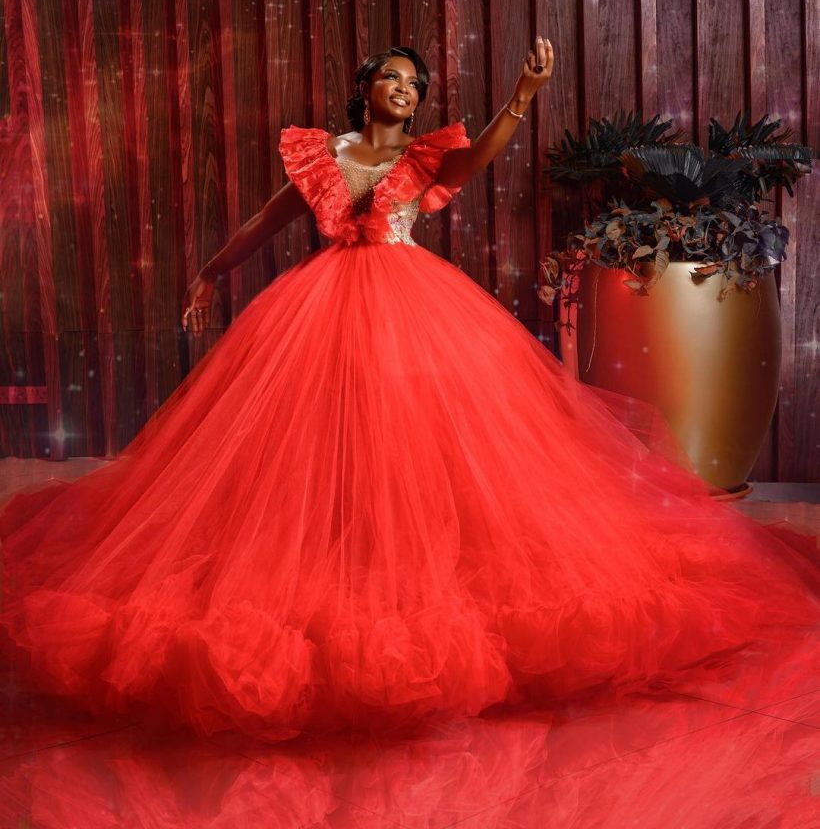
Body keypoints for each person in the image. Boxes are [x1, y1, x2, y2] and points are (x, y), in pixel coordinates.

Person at [2, 38, 819, 744]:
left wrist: (523, 94)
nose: (405, 89)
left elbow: (479, 157)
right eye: (392, 77)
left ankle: (414, 563)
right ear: (365, 87)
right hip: (320, 312)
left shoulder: (424, 159)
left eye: (415, 84)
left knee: (415, 440)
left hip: (412, 309)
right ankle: (334, 557)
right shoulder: (322, 156)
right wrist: (211, 274)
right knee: (318, 443)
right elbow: (268, 221)